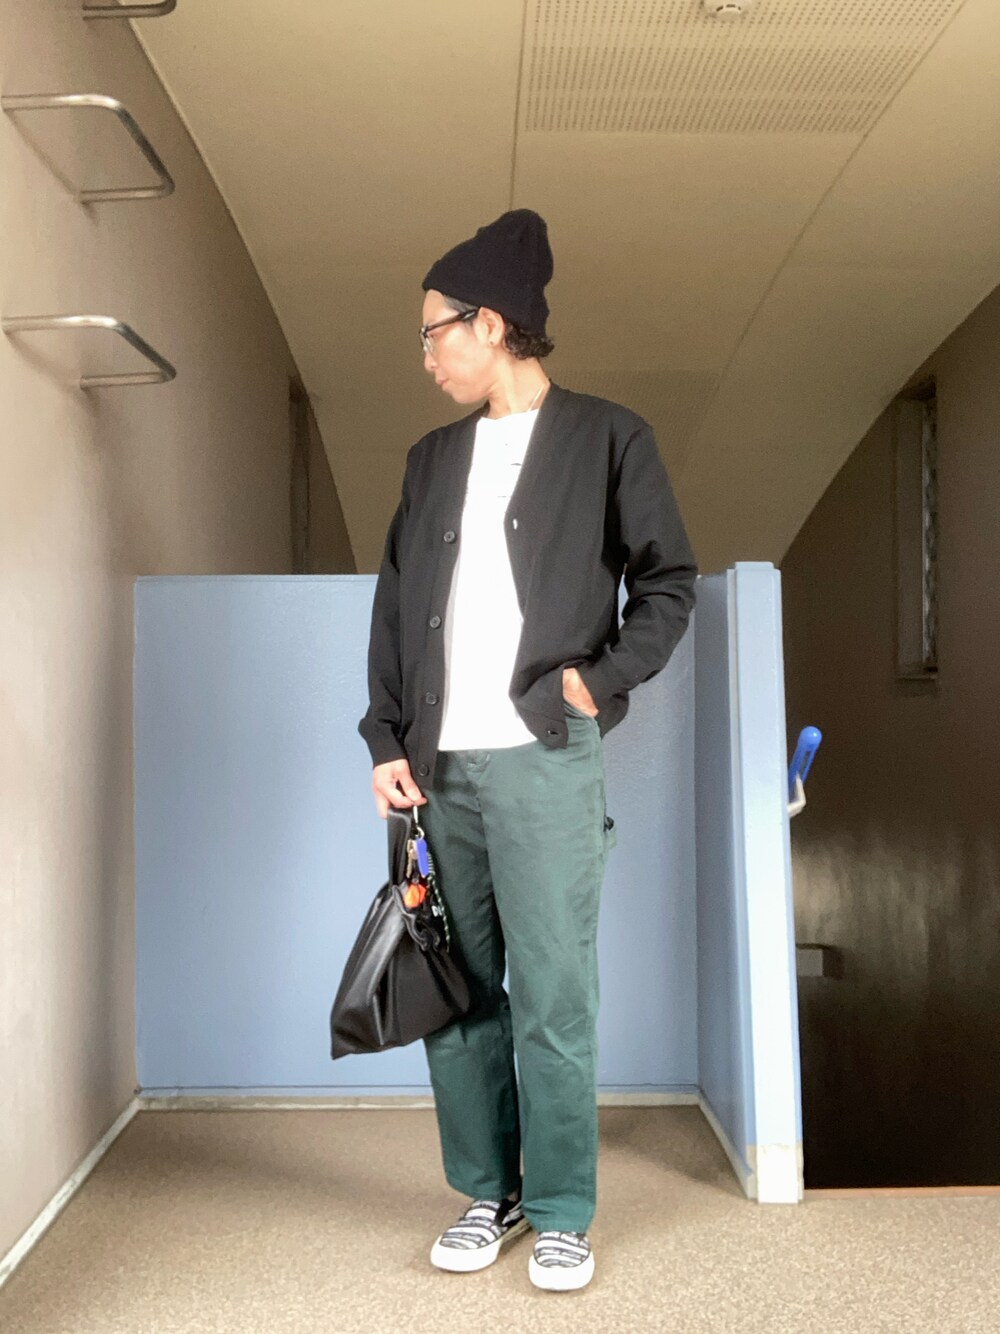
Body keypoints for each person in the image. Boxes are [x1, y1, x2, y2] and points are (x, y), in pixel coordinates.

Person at [358, 209, 697, 1292]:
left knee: (552, 995)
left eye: (433, 332)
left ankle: (557, 1208)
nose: (424, 354)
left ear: (491, 324)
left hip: (545, 761)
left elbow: (668, 582)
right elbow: (394, 609)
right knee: (454, 992)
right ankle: (486, 1192)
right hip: (437, 770)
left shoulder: (608, 437)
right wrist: (384, 737)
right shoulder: (430, 460)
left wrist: (595, 681)